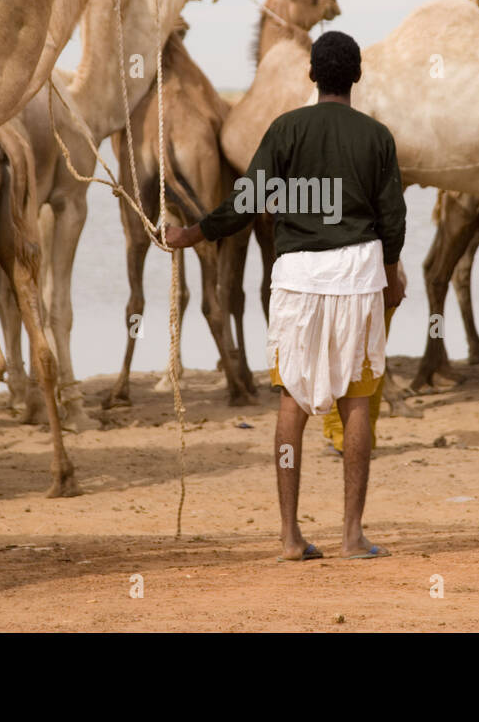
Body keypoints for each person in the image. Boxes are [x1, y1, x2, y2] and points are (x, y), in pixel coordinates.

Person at [166, 30, 406, 561]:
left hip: (296, 277)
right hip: (358, 276)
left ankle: (290, 537)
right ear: (357, 76)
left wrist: (191, 234)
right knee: (358, 399)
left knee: (292, 400)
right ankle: (351, 536)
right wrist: (394, 270)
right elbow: (393, 216)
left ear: (312, 75)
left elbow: (244, 202)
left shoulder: (285, 129)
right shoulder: (376, 137)